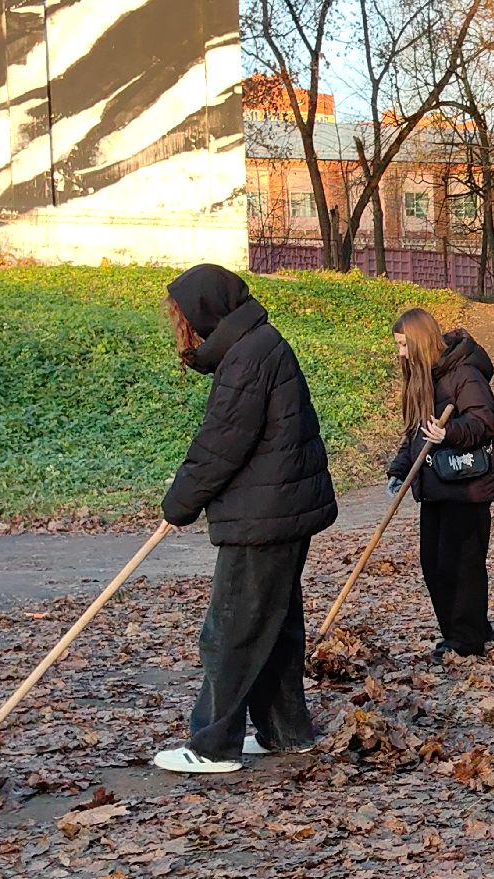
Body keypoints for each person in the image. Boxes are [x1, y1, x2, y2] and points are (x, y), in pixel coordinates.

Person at [152, 264, 338, 774]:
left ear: (205, 312)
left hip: (265, 517)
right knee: (273, 627)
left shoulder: (250, 357)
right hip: (278, 512)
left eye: (182, 318)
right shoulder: (256, 345)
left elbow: (220, 443)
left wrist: (179, 505)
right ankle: (286, 732)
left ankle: (212, 745)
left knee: (231, 628)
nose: (180, 328)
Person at [385, 309, 494, 661]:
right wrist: (400, 467)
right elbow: (415, 433)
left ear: (419, 341)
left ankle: (465, 640)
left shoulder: (464, 373)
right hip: (436, 485)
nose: (401, 354)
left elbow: (483, 421)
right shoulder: (426, 377)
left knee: (461, 564)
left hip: (466, 486)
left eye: (404, 345)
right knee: (433, 562)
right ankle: (467, 629)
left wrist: (449, 432)